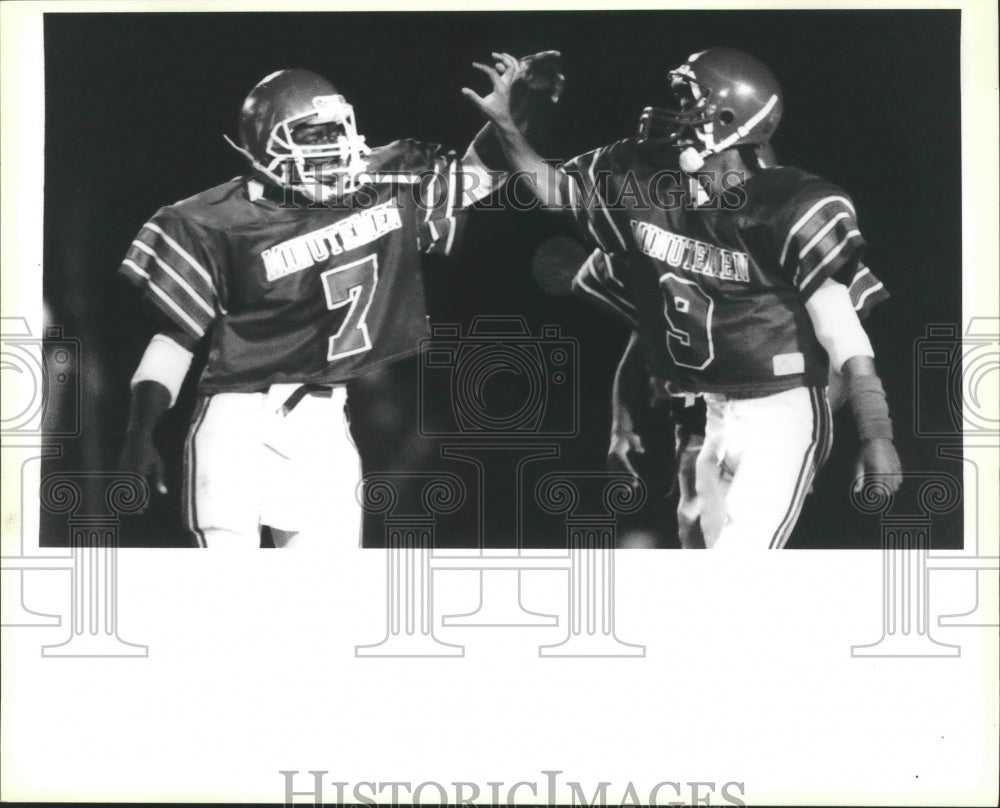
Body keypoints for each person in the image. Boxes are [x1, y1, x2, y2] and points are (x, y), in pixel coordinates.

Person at [465, 47, 902, 549]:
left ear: (729, 118)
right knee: (699, 557)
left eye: (688, 100)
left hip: (781, 409)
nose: (673, 113)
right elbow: (560, 194)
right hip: (708, 412)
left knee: (738, 562)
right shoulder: (649, 183)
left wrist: (875, 433)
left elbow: (842, 332)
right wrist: (506, 125)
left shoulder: (790, 206)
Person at [119, 57, 563, 549]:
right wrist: (140, 434)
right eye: (313, 135)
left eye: (336, 130)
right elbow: (175, 339)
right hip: (237, 422)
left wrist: (515, 111)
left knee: (331, 591)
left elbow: (475, 177)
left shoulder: (385, 184)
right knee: (230, 589)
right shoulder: (213, 222)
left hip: (325, 421)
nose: (332, 146)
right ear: (266, 143)